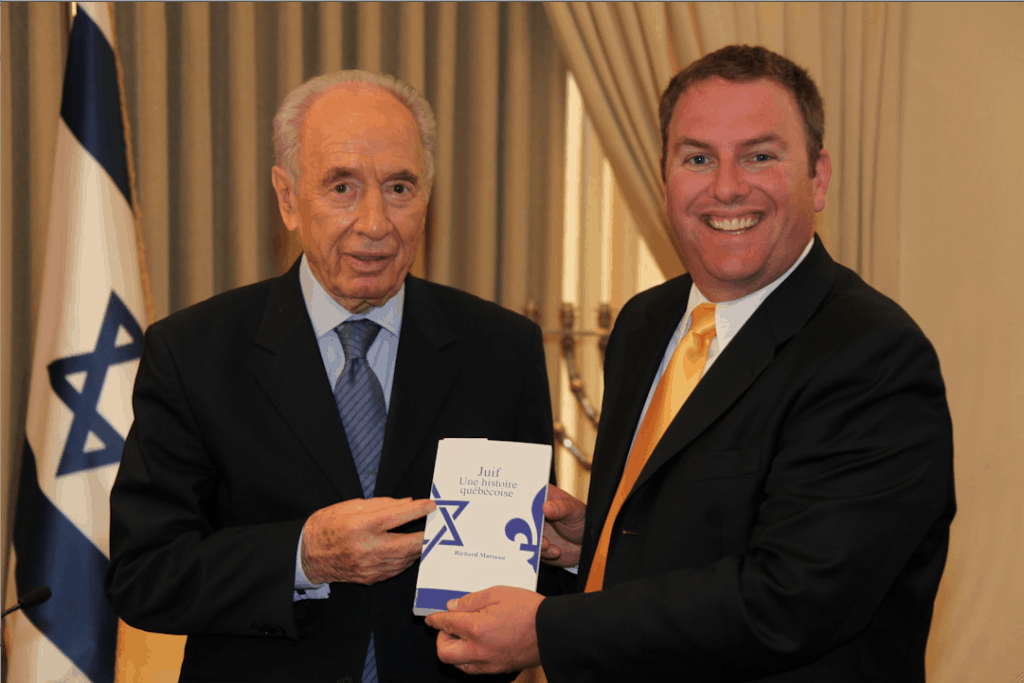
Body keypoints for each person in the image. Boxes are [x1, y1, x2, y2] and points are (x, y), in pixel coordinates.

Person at [426, 45, 955, 682]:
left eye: (759, 156)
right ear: (665, 178)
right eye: (698, 158)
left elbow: (791, 600)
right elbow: (707, 532)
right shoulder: (645, 324)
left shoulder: (872, 355)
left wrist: (549, 630)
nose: (727, 187)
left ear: (818, 177)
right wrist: (594, 547)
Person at [105, 70, 555, 683]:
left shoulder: (502, 349)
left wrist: (568, 559)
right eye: (342, 187)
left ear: (428, 196)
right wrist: (304, 556)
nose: (375, 222)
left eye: (399, 188)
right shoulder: (193, 352)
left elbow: (538, 570)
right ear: (288, 198)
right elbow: (144, 575)